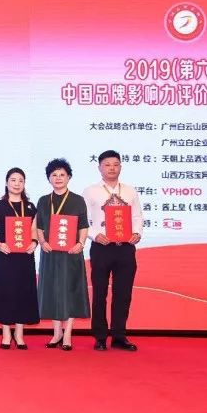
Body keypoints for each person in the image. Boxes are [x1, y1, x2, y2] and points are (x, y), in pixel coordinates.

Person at [83, 150, 142, 352]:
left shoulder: (130, 191)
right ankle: (100, 337)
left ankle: (119, 336)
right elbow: (84, 220)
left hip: (125, 248)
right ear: (99, 167)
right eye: (107, 165)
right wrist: (94, 235)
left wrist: (137, 233)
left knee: (123, 294)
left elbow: (137, 216)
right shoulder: (90, 191)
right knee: (99, 293)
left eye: (116, 164)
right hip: (102, 247)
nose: (112, 168)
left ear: (121, 167)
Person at [36, 158, 90, 351]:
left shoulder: (78, 200)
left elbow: (83, 225)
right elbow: (39, 226)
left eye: (62, 175)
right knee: (52, 291)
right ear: (49, 178)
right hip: (50, 253)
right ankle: (57, 333)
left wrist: (80, 244)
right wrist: (42, 242)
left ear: (69, 177)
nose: (58, 178)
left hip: (71, 253)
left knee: (71, 290)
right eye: (54, 175)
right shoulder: (43, 201)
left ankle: (67, 334)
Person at [0, 167, 39, 349]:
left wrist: (34, 242)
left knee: (24, 292)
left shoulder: (30, 207)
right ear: (6, 182)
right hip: (5, 255)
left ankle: (19, 333)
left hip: (25, 256)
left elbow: (34, 229)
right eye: (13, 180)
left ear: (24, 184)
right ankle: (6, 333)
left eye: (20, 181)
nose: (17, 184)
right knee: (5, 292)